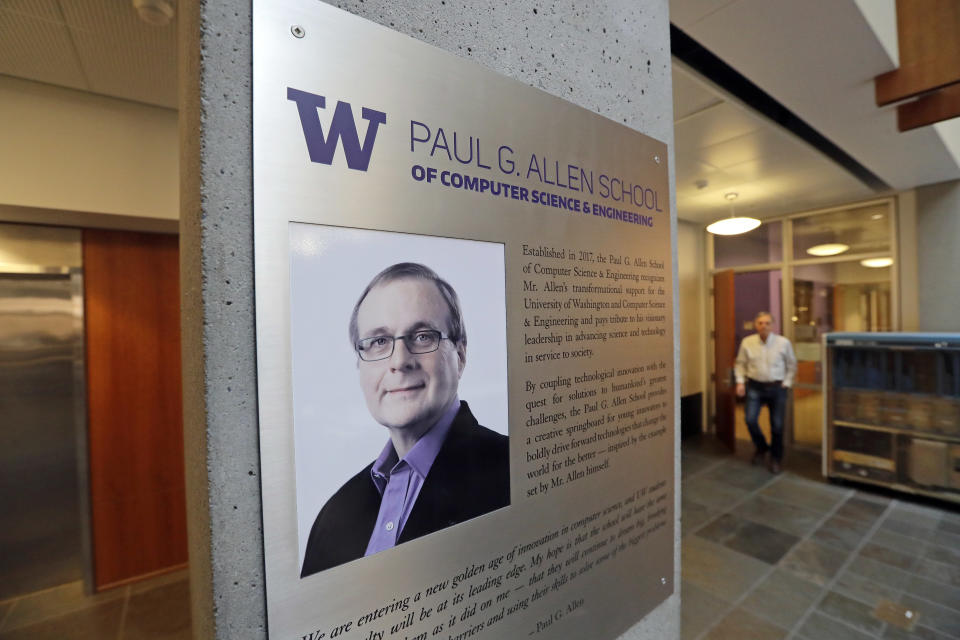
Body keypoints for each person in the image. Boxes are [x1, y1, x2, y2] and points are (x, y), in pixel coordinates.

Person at [300, 263, 510, 577]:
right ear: (360, 364)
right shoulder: (335, 515)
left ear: (460, 355)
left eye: (423, 337)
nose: (399, 361)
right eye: (379, 342)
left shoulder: (513, 474)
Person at [734, 311, 797, 474]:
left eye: (767, 323)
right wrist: (740, 382)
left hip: (777, 388)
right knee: (750, 420)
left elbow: (791, 364)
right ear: (756, 325)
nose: (764, 326)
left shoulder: (783, 343)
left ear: (772, 325)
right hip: (755, 387)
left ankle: (776, 458)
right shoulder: (747, 342)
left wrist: (787, 382)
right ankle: (762, 447)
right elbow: (740, 364)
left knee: (777, 426)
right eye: (760, 323)